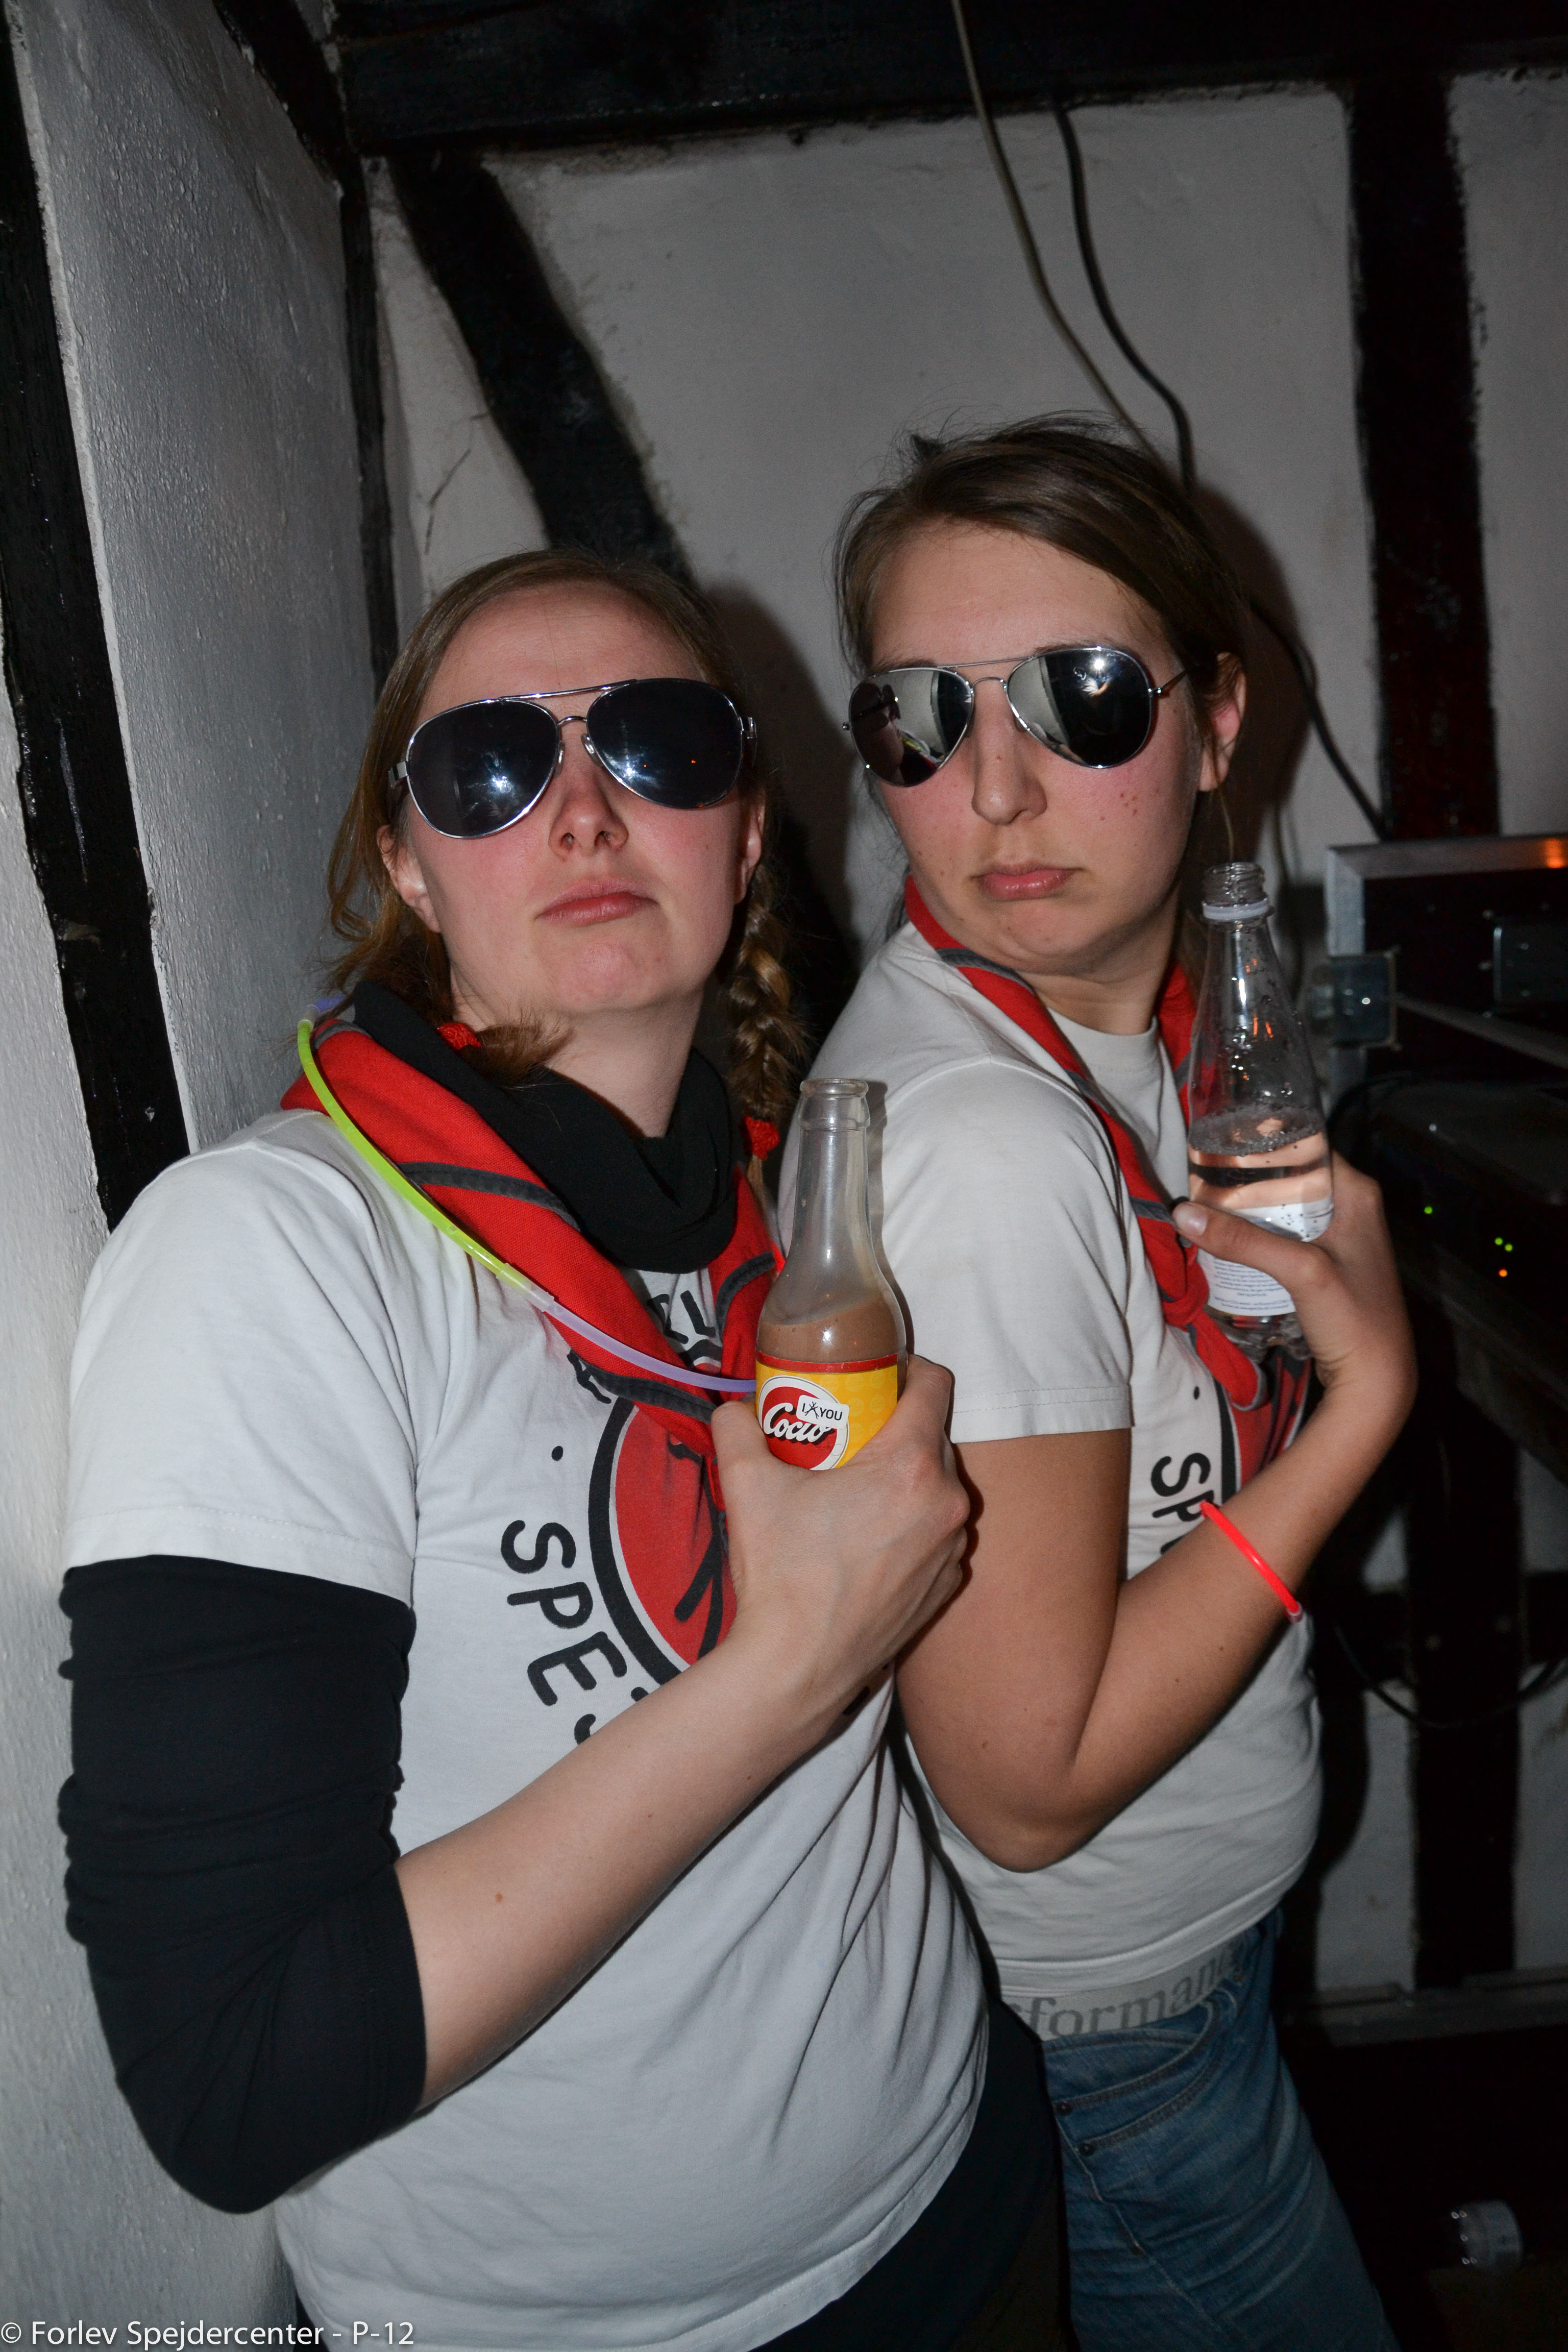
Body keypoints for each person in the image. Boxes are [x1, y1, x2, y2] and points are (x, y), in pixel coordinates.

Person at [58, 550, 1068, 2349]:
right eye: (492, 766)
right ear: (408, 862)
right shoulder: (277, 1257)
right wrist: (793, 1668)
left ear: (743, 835)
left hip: (962, 2182)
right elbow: (236, 2077)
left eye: (661, 743)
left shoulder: (780, 1204)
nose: (586, 808)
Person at [785, 420, 1416, 2351]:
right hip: (1112, 2040)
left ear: (1216, 721)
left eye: (1080, 696)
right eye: (920, 717)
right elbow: (1029, 1785)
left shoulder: (1091, 1038)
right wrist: (1367, 1408)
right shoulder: (991, 1145)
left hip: (1144, 2005)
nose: (993, 788)